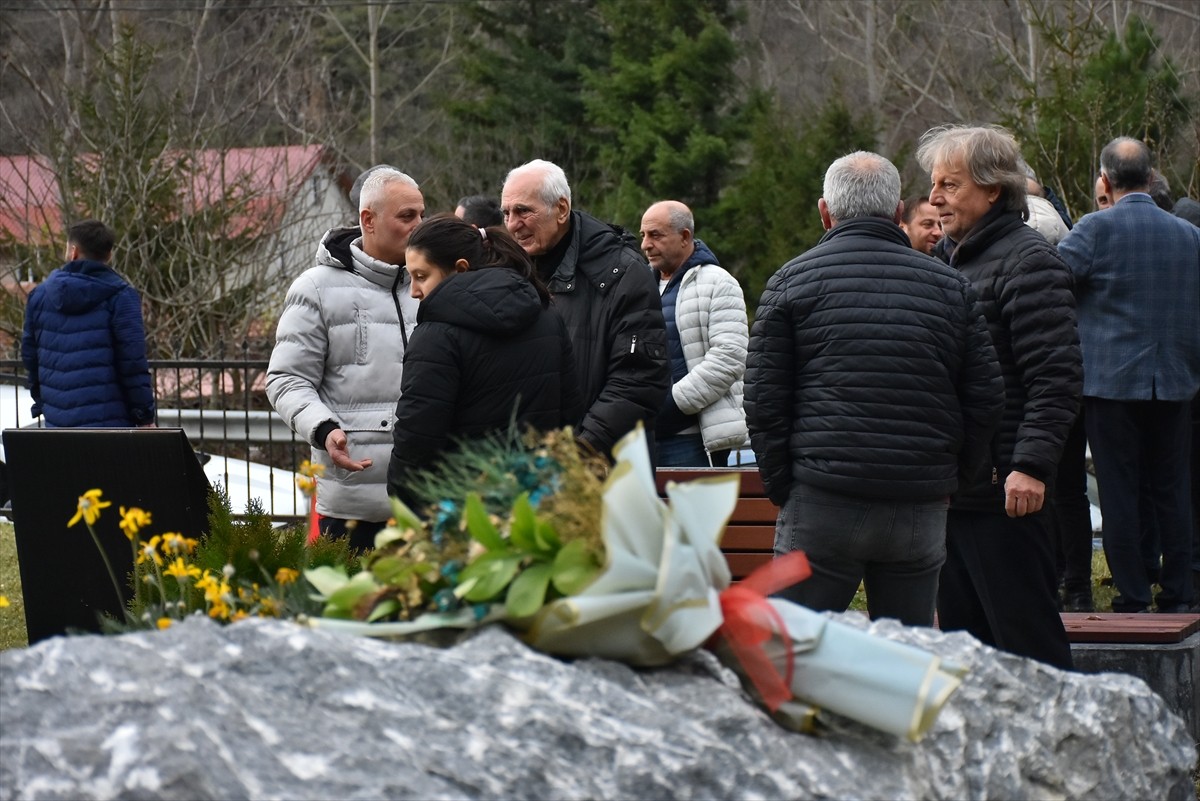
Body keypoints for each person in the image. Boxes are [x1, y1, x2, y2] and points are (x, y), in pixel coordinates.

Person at [743, 151, 1004, 627]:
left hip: (822, 496)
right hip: (918, 502)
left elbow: (764, 401)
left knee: (794, 652)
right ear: (898, 211)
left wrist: (785, 485)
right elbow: (985, 398)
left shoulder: (791, 281)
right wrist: (951, 480)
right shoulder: (951, 287)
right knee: (907, 654)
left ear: (825, 212)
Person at [917, 124, 1082, 669]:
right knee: (968, 655)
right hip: (954, 492)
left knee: (1030, 652)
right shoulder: (947, 260)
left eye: (950, 185)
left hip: (1007, 495)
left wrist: (1030, 466)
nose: (935, 198)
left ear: (993, 190)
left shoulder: (1029, 262)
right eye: (933, 185)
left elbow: (1055, 377)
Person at [1058, 137, 1200, 614]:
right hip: (1176, 381)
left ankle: (1134, 594)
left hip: (1110, 384)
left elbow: (1054, 281)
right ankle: (1179, 593)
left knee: (1118, 492)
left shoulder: (1094, 228)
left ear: (1105, 180)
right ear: (1151, 176)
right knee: (1173, 489)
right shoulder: (1189, 235)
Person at [267, 168, 425, 551]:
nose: (419, 225)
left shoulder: (433, 283)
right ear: (368, 220)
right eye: (407, 216)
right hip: (354, 507)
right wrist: (324, 428)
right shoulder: (316, 288)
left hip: (429, 501)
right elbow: (286, 379)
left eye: (422, 214)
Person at [386, 216, 584, 508]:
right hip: (539, 499)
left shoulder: (436, 335)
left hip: (467, 509)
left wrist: (402, 500)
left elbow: (417, 435)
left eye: (421, 276)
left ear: (460, 268)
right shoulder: (546, 314)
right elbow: (569, 412)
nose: (414, 291)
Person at [501, 159, 669, 457]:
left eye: (523, 211)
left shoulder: (623, 273)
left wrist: (578, 452)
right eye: (506, 213)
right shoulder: (504, 272)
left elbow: (637, 381)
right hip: (525, 467)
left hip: (600, 467)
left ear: (561, 209)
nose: (513, 224)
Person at [639, 200, 747, 468]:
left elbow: (729, 358)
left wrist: (672, 404)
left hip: (693, 440)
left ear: (685, 236)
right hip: (643, 437)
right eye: (643, 235)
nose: (645, 245)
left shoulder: (719, 283)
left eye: (655, 235)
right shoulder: (638, 285)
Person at [21, 219, 156, 428]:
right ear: (109, 255)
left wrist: (43, 403)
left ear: (73, 252)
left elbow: (30, 357)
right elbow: (132, 362)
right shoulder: (121, 296)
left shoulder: (39, 296)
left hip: (58, 422)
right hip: (110, 424)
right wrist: (144, 415)